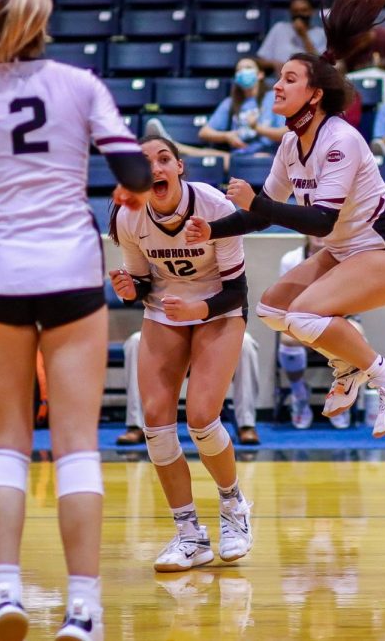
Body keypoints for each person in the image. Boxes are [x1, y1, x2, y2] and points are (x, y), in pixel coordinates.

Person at [0, 0, 153, 641]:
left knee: (6, 445)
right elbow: (136, 176)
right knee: (75, 447)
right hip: (71, 272)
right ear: (43, 26)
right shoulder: (81, 84)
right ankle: (82, 610)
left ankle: (5, 592)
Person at [184, 0, 385, 439]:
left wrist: (255, 201)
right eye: (278, 78)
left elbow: (320, 221)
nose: (276, 86)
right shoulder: (291, 144)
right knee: (273, 309)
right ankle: (348, 364)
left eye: (289, 80)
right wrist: (212, 230)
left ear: (314, 95)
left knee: (303, 316)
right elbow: (260, 216)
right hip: (346, 250)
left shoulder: (340, 140)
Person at [109, 134, 254, 573]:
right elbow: (143, 283)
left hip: (219, 308)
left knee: (202, 417)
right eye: (145, 162)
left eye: (164, 158)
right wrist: (130, 289)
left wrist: (199, 308)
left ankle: (234, 507)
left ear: (178, 168)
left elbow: (237, 291)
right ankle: (189, 534)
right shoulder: (127, 217)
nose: (155, 167)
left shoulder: (214, 207)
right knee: (155, 422)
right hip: (165, 311)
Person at [116, 330, 262, 446]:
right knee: (136, 341)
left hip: (211, 337)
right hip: (171, 336)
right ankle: (135, 425)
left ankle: (246, 425)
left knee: (245, 342)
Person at [278, 236, 356, 430]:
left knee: (357, 336)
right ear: (307, 231)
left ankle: (342, 394)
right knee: (287, 340)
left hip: (337, 319)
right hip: (300, 320)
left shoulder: (346, 257)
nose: (321, 235)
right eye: (316, 229)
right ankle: (300, 396)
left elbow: (353, 300)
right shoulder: (291, 260)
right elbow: (284, 301)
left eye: (326, 229)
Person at [198, 57, 286, 156]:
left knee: (259, 157)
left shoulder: (273, 98)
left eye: (248, 68)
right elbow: (204, 133)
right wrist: (226, 136)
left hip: (266, 155)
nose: (244, 72)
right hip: (237, 156)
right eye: (240, 70)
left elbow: (285, 133)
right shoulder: (230, 102)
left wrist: (258, 128)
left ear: (260, 74)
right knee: (207, 154)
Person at [256, 0, 327, 75]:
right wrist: (274, 63)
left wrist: (304, 36)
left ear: (311, 11)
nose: (299, 15)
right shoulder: (279, 28)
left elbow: (321, 66)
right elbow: (260, 61)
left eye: (303, 10)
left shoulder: (321, 33)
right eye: (295, 11)